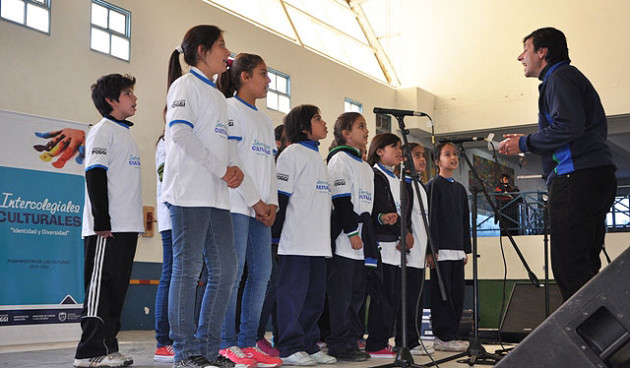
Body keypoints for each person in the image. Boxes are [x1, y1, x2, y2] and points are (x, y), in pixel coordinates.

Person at [500, 27, 617, 301]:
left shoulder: (559, 78)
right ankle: (597, 338)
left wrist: (526, 143)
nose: (520, 57)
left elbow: (568, 126)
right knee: (583, 265)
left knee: (569, 266)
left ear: (543, 52)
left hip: (574, 179)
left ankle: (580, 340)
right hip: (594, 176)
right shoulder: (568, 78)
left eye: (526, 49)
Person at [163, 25, 243, 368]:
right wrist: (220, 168)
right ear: (201, 51)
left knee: (226, 270)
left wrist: (233, 169)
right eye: (221, 45)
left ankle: (210, 350)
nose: (227, 52)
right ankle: (185, 351)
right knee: (188, 269)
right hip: (189, 194)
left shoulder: (218, 97)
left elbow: (223, 145)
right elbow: (180, 132)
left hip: (217, 197)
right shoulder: (184, 86)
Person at [216, 53, 282, 368]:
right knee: (231, 274)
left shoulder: (265, 120)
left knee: (262, 275)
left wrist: (272, 206)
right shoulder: (229, 109)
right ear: (244, 76)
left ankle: (247, 341)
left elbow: (268, 167)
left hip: (261, 211)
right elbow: (233, 161)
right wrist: (256, 201)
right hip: (236, 206)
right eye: (263, 73)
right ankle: (225, 343)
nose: (268, 80)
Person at [73, 73, 143, 368]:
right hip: (107, 230)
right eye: (128, 93)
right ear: (110, 100)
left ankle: (107, 347)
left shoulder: (124, 133)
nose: (134, 98)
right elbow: (95, 174)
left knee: (116, 292)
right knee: (101, 290)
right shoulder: (102, 131)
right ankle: (89, 351)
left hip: (126, 227)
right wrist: (102, 220)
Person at [271, 104, 337, 366]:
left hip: (318, 244)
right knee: (292, 298)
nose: (324, 123)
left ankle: (309, 344)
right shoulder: (291, 154)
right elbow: (281, 198)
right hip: (295, 242)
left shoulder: (319, 160)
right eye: (317, 119)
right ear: (302, 127)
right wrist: (276, 237)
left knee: (314, 299)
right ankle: (288, 346)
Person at [325, 112, 373, 362]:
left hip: (361, 245)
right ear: (346, 133)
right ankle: (339, 343)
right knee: (341, 298)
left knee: (356, 296)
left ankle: (354, 339)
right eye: (361, 126)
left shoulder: (365, 167)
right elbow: (341, 201)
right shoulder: (339, 161)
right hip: (344, 241)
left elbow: (366, 204)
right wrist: (353, 232)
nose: (367, 131)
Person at [364, 133, 414, 358]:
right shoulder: (373, 176)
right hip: (382, 244)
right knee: (381, 297)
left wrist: (406, 232)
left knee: (393, 297)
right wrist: (387, 222)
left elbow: (404, 212)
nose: (398, 150)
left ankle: (385, 340)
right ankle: (375, 343)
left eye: (399, 147)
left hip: (398, 245)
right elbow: (374, 208)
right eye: (393, 146)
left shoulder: (399, 179)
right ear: (379, 150)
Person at [425, 142, 471, 352]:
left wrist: (465, 249)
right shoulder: (433, 186)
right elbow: (431, 220)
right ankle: (442, 336)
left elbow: (464, 221)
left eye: (455, 154)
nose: (453, 157)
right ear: (437, 161)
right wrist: (430, 249)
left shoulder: (460, 189)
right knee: (442, 295)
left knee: (457, 295)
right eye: (447, 154)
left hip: (456, 250)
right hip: (440, 251)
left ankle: (452, 334)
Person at [255, 124, 290, 358]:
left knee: (279, 286)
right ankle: (252, 336)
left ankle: (273, 336)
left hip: (282, 237)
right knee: (267, 282)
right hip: (264, 230)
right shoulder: (274, 163)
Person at [401, 143, 433, 356]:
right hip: (409, 254)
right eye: (417, 155)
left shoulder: (421, 186)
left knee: (419, 299)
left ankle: (415, 339)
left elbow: (427, 224)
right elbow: (403, 214)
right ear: (404, 158)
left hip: (421, 253)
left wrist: (429, 250)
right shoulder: (404, 185)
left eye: (423, 155)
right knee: (409, 300)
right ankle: (406, 341)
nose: (422, 159)